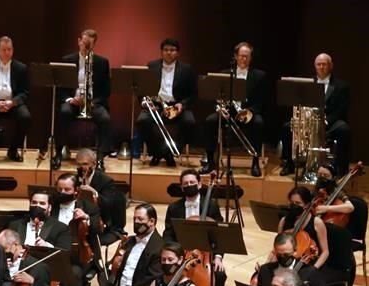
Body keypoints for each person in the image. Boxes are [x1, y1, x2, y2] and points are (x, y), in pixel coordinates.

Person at [165, 169, 228, 286]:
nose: (189, 185)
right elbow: (168, 233)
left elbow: (220, 233)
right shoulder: (174, 208)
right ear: (181, 187)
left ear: (199, 184)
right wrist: (173, 252)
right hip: (182, 252)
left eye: (192, 182)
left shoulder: (211, 205)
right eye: (185, 183)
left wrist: (218, 257)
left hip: (206, 255)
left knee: (219, 275)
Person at [280, 53, 352, 176]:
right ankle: (289, 164)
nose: (321, 67)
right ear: (315, 66)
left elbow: (341, 110)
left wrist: (325, 121)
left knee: (344, 129)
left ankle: (339, 167)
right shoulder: (308, 83)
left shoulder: (342, 86)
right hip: (309, 121)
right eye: (319, 64)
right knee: (287, 126)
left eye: (324, 64)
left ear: (331, 66)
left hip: (329, 122)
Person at [202, 42, 267, 176]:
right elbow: (217, 97)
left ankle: (255, 162)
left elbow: (261, 101)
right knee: (209, 121)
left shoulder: (259, 76)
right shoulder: (225, 74)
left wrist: (250, 112)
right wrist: (219, 108)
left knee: (259, 123)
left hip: (248, 112)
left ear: (251, 58)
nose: (244, 59)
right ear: (236, 57)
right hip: (229, 112)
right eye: (241, 56)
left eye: (247, 56)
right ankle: (210, 161)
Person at [52, 29, 112, 168]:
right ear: (79, 41)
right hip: (73, 101)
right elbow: (61, 88)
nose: (85, 47)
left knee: (105, 118)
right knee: (64, 112)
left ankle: (100, 158)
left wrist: (92, 102)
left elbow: (106, 91)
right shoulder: (68, 60)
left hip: (93, 103)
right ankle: (58, 154)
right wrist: (70, 99)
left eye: (89, 45)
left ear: (94, 45)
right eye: (84, 43)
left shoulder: (102, 63)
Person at [137, 39, 197, 167]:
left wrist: (183, 104)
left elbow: (193, 94)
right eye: (166, 50)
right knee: (142, 121)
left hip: (177, 105)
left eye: (172, 50)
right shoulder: (151, 66)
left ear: (178, 53)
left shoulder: (187, 69)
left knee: (189, 122)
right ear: (161, 52)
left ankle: (169, 152)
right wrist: (145, 103)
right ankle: (156, 152)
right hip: (156, 105)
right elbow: (141, 89)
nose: (169, 53)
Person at [76, 148, 127, 238]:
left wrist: (94, 193)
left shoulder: (105, 181)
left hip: (102, 223)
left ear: (94, 164)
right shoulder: (75, 179)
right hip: (81, 219)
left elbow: (109, 204)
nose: (82, 168)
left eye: (85, 164)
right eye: (79, 164)